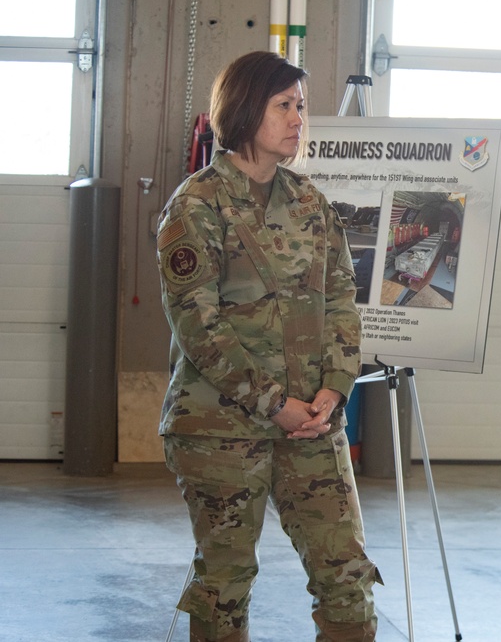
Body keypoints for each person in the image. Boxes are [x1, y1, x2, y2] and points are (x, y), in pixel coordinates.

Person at [156, 51, 380, 642]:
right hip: (220, 428)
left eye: (300, 107)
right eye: (284, 105)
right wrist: (272, 402)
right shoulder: (196, 206)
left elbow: (340, 300)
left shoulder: (310, 202)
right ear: (246, 108)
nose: (297, 119)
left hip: (312, 422)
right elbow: (198, 328)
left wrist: (335, 387)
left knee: (346, 574)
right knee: (225, 582)